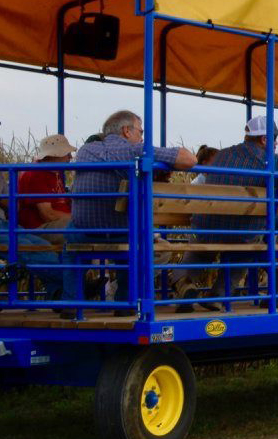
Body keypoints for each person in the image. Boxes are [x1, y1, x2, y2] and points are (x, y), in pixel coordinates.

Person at [183, 116, 278, 312]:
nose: (276, 143)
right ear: (264, 140)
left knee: (205, 241)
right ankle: (218, 294)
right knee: (250, 244)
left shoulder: (222, 155)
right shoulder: (268, 160)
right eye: (274, 139)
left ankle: (183, 284)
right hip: (242, 234)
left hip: (206, 226)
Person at [72, 110, 196, 315]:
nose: (142, 137)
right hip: (120, 230)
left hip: (83, 229)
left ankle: (71, 301)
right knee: (146, 245)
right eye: (140, 131)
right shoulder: (135, 151)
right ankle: (128, 300)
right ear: (126, 131)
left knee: (72, 242)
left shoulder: (85, 151)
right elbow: (189, 160)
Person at [0, 115, 63, 309]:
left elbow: (13, 204)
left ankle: (61, 292)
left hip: (4, 224)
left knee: (43, 246)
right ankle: (73, 288)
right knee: (35, 251)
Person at [17, 134, 77, 245]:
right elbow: (48, 215)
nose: (70, 157)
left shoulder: (53, 172)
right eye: (67, 154)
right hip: (39, 228)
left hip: (53, 224)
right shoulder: (37, 174)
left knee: (88, 227)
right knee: (84, 228)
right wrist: (79, 217)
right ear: (54, 155)